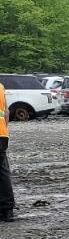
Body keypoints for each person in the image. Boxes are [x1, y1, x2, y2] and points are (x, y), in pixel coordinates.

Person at [0, 81, 12, 223]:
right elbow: (6, 112)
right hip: (2, 134)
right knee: (2, 172)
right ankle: (7, 209)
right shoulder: (1, 86)